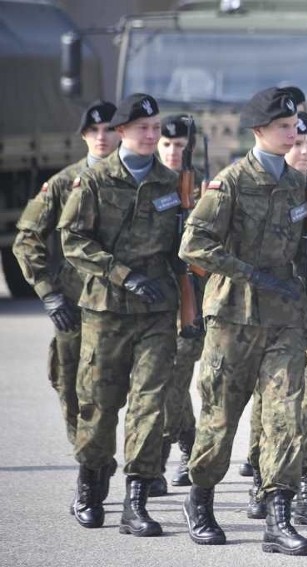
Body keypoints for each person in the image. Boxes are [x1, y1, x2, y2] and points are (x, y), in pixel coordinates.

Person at [179, 86, 307, 556]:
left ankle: (278, 515)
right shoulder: (231, 183)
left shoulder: (301, 184)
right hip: (233, 317)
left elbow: (302, 247)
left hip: (284, 318)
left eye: (295, 125)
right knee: (220, 416)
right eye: (283, 126)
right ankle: (200, 501)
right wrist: (252, 273)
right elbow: (193, 245)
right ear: (259, 131)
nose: (292, 133)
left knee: (285, 415)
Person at [58, 93, 180, 537]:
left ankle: (137, 501)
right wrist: (123, 275)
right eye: (142, 128)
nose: (151, 135)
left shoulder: (173, 184)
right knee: (99, 406)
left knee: (150, 407)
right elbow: (73, 241)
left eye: (156, 128)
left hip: (158, 312)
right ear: (121, 131)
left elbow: (184, 251)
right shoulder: (94, 182)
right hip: (106, 312)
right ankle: (91, 488)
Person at [242, 110, 307, 526]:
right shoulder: (265, 191)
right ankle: (263, 482)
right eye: (296, 143)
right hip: (279, 315)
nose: (301, 151)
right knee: (274, 406)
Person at [13, 101, 120, 513]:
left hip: (127, 309)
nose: (102, 137)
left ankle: (126, 474)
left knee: (125, 393)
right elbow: (27, 240)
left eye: (110, 130)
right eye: (94, 131)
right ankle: (91, 468)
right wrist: (50, 293)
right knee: (74, 391)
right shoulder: (64, 183)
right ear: (83, 137)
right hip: (76, 307)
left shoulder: (138, 180)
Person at [150, 114, 205, 495]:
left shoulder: (204, 188)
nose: (173, 151)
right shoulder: (148, 184)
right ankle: (185, 442)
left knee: (176, 378)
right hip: (153, 300)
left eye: (180, 145)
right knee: (161, 381)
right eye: (167, 144)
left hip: (191, 297)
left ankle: (178, 448)